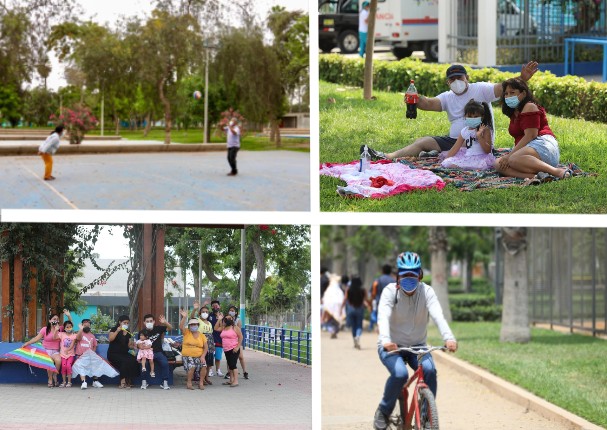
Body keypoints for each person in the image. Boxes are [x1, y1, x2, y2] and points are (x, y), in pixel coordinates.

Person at [364, 62, 539, 160]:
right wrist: (415, 99)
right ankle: (385, 156)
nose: (456, 81)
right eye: (452, 79)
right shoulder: (448, 97)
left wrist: (522, 78)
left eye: (459, 78)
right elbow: (429, 103)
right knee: (423, 140)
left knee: (453, 154)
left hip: (478, 141)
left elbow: (505, 88)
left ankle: (441, 155)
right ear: (448, 83)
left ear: (467, 78)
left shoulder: (481, 89)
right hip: (453, 141)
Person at [373, 252, 458, 430]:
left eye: (413, 274)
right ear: (398, 276)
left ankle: (427, 416)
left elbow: (438, 316)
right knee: (400, 374)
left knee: (430, 370)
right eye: (405, 274)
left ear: (420, 275)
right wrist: (386, 340)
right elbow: (383, 315)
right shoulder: (390, 291)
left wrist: (448, 337)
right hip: (392, 346)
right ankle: (383, 411)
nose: (409, 278)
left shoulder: (427, 292)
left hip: (418, 346)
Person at [495, 77, 571, 180]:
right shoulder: (514, 112)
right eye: (506, 94)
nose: (508, 96)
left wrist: (509, 156)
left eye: (512, 92)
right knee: (497, 164)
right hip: (527, 151)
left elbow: (531, 136)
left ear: (523, 94)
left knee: (513, 159)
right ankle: (536, 177)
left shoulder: (529, 106)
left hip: (542, 144)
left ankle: (557, 172)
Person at [22, 309, 72, 388]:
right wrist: (27, 343)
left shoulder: (61, 328)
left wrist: (68, 315)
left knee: (58, 361)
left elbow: (70, 325)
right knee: (50, 363)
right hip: (46, 350)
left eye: (57, 319)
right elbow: (36, 338)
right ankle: (50, 379)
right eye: (54, 319)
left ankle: (55, 375)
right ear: (50, 320)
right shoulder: (45, 329)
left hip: (56, 351)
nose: (56, 321)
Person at [440, 99, 495, 170]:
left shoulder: (485, 130)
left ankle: (468, 167)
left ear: (482, 117)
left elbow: (488, 150)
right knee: (447, 163)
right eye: (469, 116)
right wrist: (446, 160)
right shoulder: (464, 131)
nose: (472, 119)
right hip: (468, 157)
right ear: (465, 117)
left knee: (480, 166)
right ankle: (465, 166)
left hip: (481, 158)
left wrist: (479, 136)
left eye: (475, 117)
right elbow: (455, 147)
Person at [139, 313, 173, 390]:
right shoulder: (142, 332)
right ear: (144, 323)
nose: (149, 323)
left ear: (154, 322)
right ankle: (144, 381)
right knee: (144, 364)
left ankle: (165, 382)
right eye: (147, 321)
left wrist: (165, 322)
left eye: (151, 321)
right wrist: (145, 347)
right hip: (146, 353)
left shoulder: (158, 329)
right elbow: (139, 345)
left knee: (165, 363)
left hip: (158, 352)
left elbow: (170, 328)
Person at [107, 315, 139, 389]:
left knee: (133, 360)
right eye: (124, 323)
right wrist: (117, 331)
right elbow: (110, 339)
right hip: (113, 353)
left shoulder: (128, 333)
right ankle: (122, 381)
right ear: (119, 322)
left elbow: (128, 346)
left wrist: (133, 345)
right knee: (124, 361)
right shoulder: (114, 329)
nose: (126, 324)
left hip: (124, 353)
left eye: (127, 323)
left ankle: (129, 380)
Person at [179, 309, 208, 390]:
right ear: (189, 326)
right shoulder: (187, 332)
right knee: (192, 366)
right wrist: (184, 317)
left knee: (204, 365)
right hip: (188, 355)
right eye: (191, 325)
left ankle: (201, 383)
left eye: (195, 324)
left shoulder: (202, 335)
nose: (193, 326)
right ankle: (189, 382)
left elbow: (206, 347)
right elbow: (181, 327)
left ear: (198, 325)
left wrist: (203, 356)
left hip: (199, 355)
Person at [341, 276, 371, 349]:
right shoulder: (363, 290)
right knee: (359, 326)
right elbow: (366, 299)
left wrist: (341, 308)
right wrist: (369, 306)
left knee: (353, 326)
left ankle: (355, 341)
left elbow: (345, 299)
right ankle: (357, 336)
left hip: (350, 309)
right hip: (360, 309)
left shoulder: (348, 289)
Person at [74, 318, 103, 389]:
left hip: (90, 356)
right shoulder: (80, 333)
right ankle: (84, 382)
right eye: (84, 325)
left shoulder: (92, 336)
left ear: (90, 327)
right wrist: (80, 329)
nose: (86, 327)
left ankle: (95, 381)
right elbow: (78, 338)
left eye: (88, 325)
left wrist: (92, 354)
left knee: (96, 364)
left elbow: (95, 346)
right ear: (82, 326)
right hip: (80, 356)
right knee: (81, 367)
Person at [216, 314, 243, 387]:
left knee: (233, 365)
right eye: (226, 319)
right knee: (229, 365)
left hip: (234, 348)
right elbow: (216, 328)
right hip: (226, 349)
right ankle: (231, 380)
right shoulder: (224, 328)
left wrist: (237, 347)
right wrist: (219, 319)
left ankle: (236, 380)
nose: (228, 320)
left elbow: (240, 337)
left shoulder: (235, 328)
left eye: (229, 318)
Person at [54, 320, 83, 388]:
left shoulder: (74, 335)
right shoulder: (62, 334)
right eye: (67, 327)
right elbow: (54, 337)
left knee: (68, 366)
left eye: (70, 327)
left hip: (71, 355)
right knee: (63, 366)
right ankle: (64, 382)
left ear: (72, 327)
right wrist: (56, 330)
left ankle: (69, 382)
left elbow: (79, 338)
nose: (69, 328)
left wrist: (81, 329)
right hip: (63, 355)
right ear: (64, 328)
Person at [192, 302, 215, 385]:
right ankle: (200, 378)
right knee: (202, 361)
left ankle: (206, 377)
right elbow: (192, 317)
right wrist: (195, 309)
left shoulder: (209, 323)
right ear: (199, 313)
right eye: (203, 312)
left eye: (206, 312)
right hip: (201, 342)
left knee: (209, 362)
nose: (205, 313)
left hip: (210, 343)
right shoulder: (198, 320)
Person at [223, 305, 248, 380]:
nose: (231, 312)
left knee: (240, 357)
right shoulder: (226, 319)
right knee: (229, 358)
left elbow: (238, 332)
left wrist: (238, 344)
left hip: (236, 341)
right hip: (228, 342)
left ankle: (245, 371)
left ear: (236, 312)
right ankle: (229, 372)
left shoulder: (238, 320)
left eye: (233, 311)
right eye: (230, 310)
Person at [370, 265, 394, 332]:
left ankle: (381, 329)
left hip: (380, 301)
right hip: (391, 301)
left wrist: (372, 299)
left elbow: (374, 291)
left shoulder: (378, 280)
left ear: (382, 271)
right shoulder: (394, 280)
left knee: (381, 317)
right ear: (390, 271)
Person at [321, 273, 346, 339]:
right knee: (336, 321)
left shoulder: (329, 290)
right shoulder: (339, 290)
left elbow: (325, 299)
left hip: (329, 305)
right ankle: (334, 331)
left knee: (329, 321)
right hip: (338, 304)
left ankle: (332, 331)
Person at [208, 300, 225, 377]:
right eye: (213, 306)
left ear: (219, 306)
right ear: (211, 307)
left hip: (219, 339)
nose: (215, 307)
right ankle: (210, 370)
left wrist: (220, 318)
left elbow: (223, 327)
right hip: (210, 339)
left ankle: (218, 370)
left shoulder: (222, 316)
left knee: (218, 357)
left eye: (216, 305)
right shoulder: (209, 315)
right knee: (210, 355)